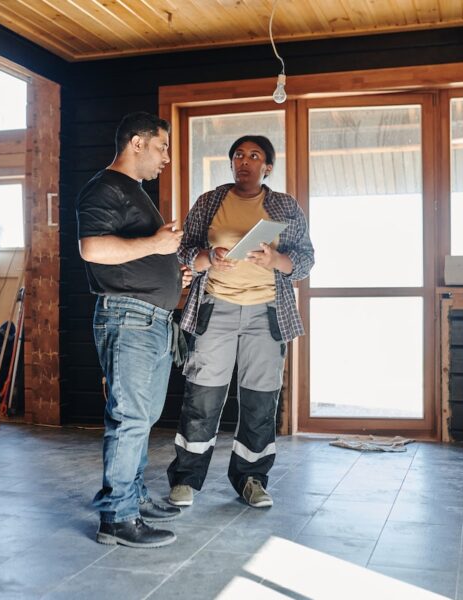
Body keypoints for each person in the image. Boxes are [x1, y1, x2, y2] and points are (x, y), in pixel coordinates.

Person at [167, 135, 314, 509]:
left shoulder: (284, 206)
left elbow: (306, 258)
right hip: (215, 310)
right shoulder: (209, 202)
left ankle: (251, 478)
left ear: (268, 167)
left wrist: (276, 260)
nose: (244, 161)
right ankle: (186, 479)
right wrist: (208, 257)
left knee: (260, 402)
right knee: (202, 396)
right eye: (238, 155)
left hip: (267, 314)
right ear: (231, 163)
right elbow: (185, 251)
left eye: (254, 156)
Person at [76, 112, 191, 548]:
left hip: (150, 319)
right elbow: (92, 248)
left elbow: (130, 254)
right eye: (162, 147)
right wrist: (157, 246)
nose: (165, 157)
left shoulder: (133, 193)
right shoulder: (105, 187)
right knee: (130, 419)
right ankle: (118, 518)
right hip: (130, 319)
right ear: (137, 143)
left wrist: (168, 270)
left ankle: (134, 496)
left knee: (140, 419)